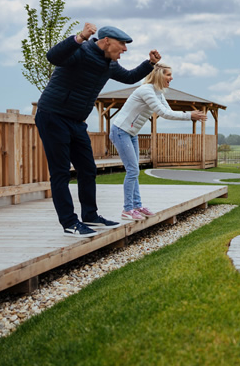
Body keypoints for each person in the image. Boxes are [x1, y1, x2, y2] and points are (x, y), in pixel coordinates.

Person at [35, 23, 161, 237]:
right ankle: (69, 222)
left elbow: (130, 77)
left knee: (88, 169)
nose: (125, 49)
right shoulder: (80, 52)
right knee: (61, 172)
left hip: (76, 121)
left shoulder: (109, 64)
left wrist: (149, 63)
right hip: (53, 116)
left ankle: (90, 216)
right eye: (121, 44)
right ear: (106, 41)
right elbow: (52, 57)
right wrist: (79, 37)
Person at [110, 63, 206, 220]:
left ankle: (137, 205)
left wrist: (188, 116)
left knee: (135, 171)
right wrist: (189, 115)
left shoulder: (158, 92)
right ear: (158, 75)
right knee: (132, 170)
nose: (171, 78)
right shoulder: (146, 90)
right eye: (168, 74)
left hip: (131, 133)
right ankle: (127, 209)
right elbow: (162, 113)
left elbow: (168, 111)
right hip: (121, 131)